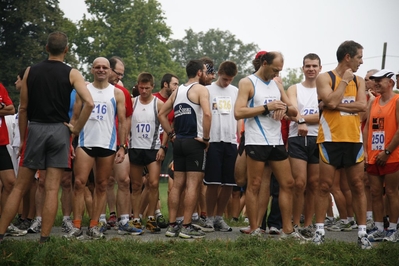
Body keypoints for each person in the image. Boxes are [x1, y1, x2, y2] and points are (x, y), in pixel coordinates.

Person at [0, 31, 94, 243]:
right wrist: (76, 129)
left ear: (46, 48)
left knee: (20, 186)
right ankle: (44, 240)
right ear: (66, 49)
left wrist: (23, 139)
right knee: (52, 188)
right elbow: (89, 102)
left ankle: (1, 233)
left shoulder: (31, 72)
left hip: (36, 129)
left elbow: (22, 109)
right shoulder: (72, 73)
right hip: (60, 132)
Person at [311, 40, 371, 249]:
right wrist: (343, 84)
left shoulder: (360, 80)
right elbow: (332, 101)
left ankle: (362, 233)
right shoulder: (324, 77)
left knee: (357, 186)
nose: (361, 62)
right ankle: (319, 231)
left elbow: (362, 106)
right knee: (324, 186)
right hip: (330, 139)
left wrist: (333, 105)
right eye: (359, 57)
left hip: (353, 139)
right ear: (348, 57)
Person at [234, 51, 299, 238]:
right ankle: (255, 229)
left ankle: (288, 230)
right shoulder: (247, 82)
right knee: (254, 185)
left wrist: (284, 108)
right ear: (264, 63)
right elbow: (238, 112)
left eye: (279, 70)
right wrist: (266, 108)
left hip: (276, 141)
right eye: (274, 69)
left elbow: (294, 111)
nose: (277, 74)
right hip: (256, 140)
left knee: (288, 183)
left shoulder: (276, 84)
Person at [65, 57, 127, 240]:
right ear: (92, 70)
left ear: (109, 71)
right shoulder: (83, 91)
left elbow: (123, 122)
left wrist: (122, 147)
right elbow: (74, 118)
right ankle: (76, 226)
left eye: (104, 67)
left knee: (102, 185)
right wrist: (70, 141)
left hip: (107, 145)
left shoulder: (117, 93)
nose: (101, 70)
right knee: (79, 183)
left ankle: (94, 225)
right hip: (85, 143)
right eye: (97, 67)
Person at [158, 59, 211, 239]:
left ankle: (172, 225)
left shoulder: (177, 90)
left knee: (177, 186)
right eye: (204, 71)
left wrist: (172, 135)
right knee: (192, 186)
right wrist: (206, 139)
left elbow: (161, 114)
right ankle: (186, 226)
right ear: (199, 73)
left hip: (179, 142)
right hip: (194, 142)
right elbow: (208, 114)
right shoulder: (201, 89)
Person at [286, 53, 321, 238]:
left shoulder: (324, 90)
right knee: (299, 183)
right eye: (308, 66)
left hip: (318, 138)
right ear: (303, 68)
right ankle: (296, 223)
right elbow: (290, 110)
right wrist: (297, 119)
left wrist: (300, 118)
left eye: (314, 66)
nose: (311, 69)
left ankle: (309, 224)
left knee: (314, 184)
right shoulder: (294, 88)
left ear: (320, 68)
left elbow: (322, 116)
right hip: (297, 138)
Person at [203, 61, 240, 232]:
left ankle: (219, 217)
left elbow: (240, 117)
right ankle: (209, 218)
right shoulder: (208, 90)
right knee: (212, 182)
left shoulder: (236, 92)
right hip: (214, 141)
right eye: (225, 79)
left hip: (231, 142)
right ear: (218, 73)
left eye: (230, 80)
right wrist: (205, 138)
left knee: (228, 183)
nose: (227, 83)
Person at [129, 72, 167, 233]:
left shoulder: (158, 104)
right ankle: (136, 218)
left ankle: (151, 217)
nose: (143, 91)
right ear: (137, 86)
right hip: (135, 148)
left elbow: (167, 127)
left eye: (146, 88)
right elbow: (124, 123)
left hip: (153, 149)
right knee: (136, 185)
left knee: (153, 183)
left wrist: (163, 147)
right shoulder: (132, 102)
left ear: (152, 87)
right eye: (141, 87)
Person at [364, 70, 399, 242]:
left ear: (390, 82)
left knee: (391, 192)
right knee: (375, 192)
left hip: (391, 155)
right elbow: (367, 128)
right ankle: (378, 227)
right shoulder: (373, 101)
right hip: (373, 155)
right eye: (374, 80)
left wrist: (387, 152)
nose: (376, 83)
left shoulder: (397, 100)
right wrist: (365, 151)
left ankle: (393, 229)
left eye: (380, 80)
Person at [103, 56, 136, 234]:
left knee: (124, 180)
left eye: (122, 75)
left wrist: (124, 142)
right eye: (118, 73)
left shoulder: (121, 92)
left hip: (118, 142)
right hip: (98, 142)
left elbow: (128, 117)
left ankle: (124, 220)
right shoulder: (90, 90)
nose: (120, 78)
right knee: (104, 182)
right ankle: (101, 219)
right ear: (108, 69)